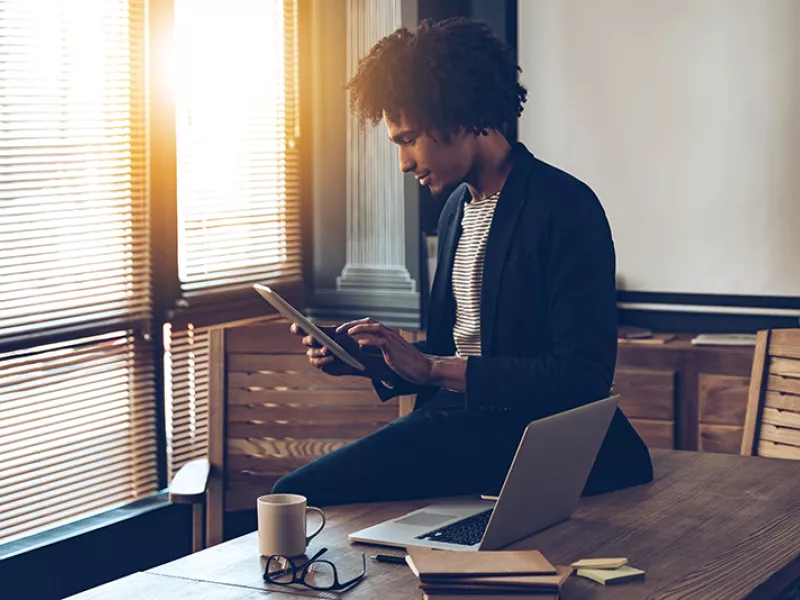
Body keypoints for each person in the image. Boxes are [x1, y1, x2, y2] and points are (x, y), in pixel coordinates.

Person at [272, 17, 653, 505]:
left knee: (294, 495)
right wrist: (372, 361)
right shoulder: (456, 209)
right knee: (301, 496)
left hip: (531, 436)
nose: (404, 163)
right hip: (460, 423)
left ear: (461, 115)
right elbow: (463, 347)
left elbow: (582, 376)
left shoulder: (566, 206)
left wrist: (429, 369)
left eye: (409, 139)